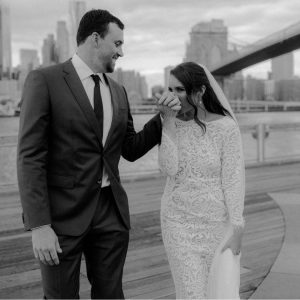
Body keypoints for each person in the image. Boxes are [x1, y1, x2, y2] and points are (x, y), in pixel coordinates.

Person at [17, 9, 180, 299]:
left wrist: (162, 118)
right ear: (95, 38)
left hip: (110, 214)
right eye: (117, 43)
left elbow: (129, 149)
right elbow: (30, 157)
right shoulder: (45, 80)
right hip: (61, 217)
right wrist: (39, 225)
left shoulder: (118, 91)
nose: (121, 52)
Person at [157, 62, 245, 299]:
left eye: (180, 89)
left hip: (219, 225)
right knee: (191, 294)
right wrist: (167, 122)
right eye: (170, 89)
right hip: (178, 224)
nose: (173, 96)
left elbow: (233, 179)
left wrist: (237, 226)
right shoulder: (170, 123)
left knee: (222, 294)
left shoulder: (226, 128)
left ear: (200, 91)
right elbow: (168, 167)